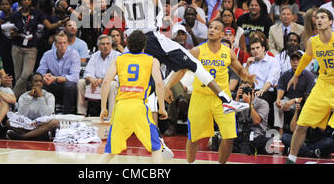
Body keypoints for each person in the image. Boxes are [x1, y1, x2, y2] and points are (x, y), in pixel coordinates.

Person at [114, 0, 248, 114]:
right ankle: (225, 100)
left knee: (151, 88)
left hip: (133, 41)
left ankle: (153, 133)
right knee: (194, 63)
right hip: (150, 38)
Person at [164, 20, 256, 164]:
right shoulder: (197, 51)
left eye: (216, 28)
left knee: (229, 136)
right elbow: (181, 70)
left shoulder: (228, 52)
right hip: (201, 96)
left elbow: (239, 71)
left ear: (221, 33)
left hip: (222, 98)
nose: (211, 30)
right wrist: (168, 85)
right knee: (193, 136)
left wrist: (247, 77)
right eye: (210, 27)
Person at [285, 8, 334, 163]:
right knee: (302, 124)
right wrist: (296, 74)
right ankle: (291, 159)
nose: (319, 20)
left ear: (330, 21)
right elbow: (307, 57)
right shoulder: (313, 41)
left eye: (323, 17)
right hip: (323, 86)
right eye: (317, 18)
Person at [99, 30, 168, 164]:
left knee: (111, 151)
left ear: (128, 44)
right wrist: (162, 108)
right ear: (144, 45)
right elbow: (159, 83)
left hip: (120, 108)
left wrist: (103, 107)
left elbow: (106, 82)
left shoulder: (118, 59)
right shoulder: (152, 60)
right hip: (139, 107)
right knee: (156, 147)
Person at [9, 0, 53, 98]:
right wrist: (12, 33)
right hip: (17, 47)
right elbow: (10, 34)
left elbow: (50, 26)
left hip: (31, 48)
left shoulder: (37, 13)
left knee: (26, 75)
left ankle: (11, 97)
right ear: (20, 1)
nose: (27, 1)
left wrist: (61, 23)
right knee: (18, 76)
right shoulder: (15, 15)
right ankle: (21, 102)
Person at [6, 72, 60, 141]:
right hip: (27, 125)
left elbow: (47, 115)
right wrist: (29, 97)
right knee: (8, 122)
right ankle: (36, 136)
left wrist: (40, 97)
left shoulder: (49, 96)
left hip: (42, 125)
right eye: (35, 81)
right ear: (30, 83)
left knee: (55, 122)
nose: (38, 83)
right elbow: (22, 114)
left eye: (40, 81)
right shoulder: (23, 97)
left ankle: (22, 137)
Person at [37, 31, 80, 114]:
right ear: (55, 44)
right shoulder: (47, 55)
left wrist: (55, 78)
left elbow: (74, 77)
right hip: (52, 83)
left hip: (66, 84)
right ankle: (47, 113)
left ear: (68, 43)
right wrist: (45, 77)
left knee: (69, 85)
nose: (62, 45)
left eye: (64, 43)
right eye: (60, 43)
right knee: (41, 83)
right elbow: (39, 72)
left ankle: (66, 114)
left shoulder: (74, 54)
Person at [76, 35, 120, 117]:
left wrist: (104, 80)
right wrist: (92, 79)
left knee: (112, 85)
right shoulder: (95, 56)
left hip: (110, 83)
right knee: (81, 82)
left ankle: (111, 116)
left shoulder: (118, 56)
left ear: (111, 45)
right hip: (96, 83)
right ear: (98, 46)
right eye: (102, 44)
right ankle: (81, 113)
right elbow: (88, 72)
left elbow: (120, 76)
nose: (105, 46)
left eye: (107, 43)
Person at [274, 50, 315, 136]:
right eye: (293, 60)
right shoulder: (285, 75)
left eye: (298, 60)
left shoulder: (309, 76)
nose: (295, 62)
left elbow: (308, 96)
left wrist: (293, 101)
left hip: (302, 101)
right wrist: (278, 99)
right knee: (276, 104)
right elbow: (281, 88)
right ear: (290, 61)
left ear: (302, 61)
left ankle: (302, 134)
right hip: (288, 99)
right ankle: (280, 130)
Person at [245, 36, 281, 128]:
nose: (255, 51)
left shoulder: (273, 61)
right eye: (253, 49)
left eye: (258, 48)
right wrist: (247, 67)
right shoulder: (249, 63)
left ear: (263, 48)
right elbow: (243, 81)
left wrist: (261, 90)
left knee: (263, 98)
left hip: (266, 91)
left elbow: (271, 79)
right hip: (250, 91)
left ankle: (262, 129)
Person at [233, 79, 270, 155]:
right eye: (242, 89)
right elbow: (230, 118)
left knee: (262, 142)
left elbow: (257, 121)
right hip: (241, 134)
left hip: (257, 134)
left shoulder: (262, 103)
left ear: (253, 90)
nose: (244, 91)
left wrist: (249, 103)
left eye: (246, 89)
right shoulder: (238, 102)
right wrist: (236, 99)